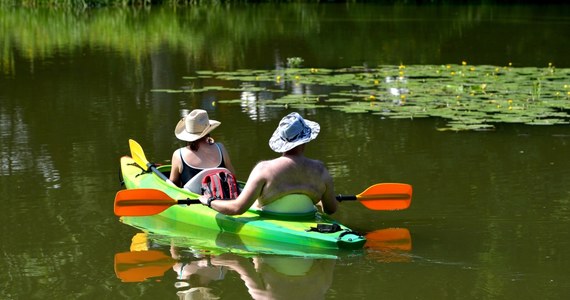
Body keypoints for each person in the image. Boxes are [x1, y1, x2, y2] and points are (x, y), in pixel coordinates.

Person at [199, 112, 338, 215]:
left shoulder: (264, 169)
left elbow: (237, 208)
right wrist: (319, 199)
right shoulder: (321, 170)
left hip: (271, 220)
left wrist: (209, 201)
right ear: (306, 139)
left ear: (282, 141)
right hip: (305, 220)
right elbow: (330, 210)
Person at [169, 109, 235, 188]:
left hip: (191, 198)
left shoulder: (178, 155)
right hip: (220, 198)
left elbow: (173, 185)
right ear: (207, 130)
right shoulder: (221, 148)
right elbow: (233, 176)